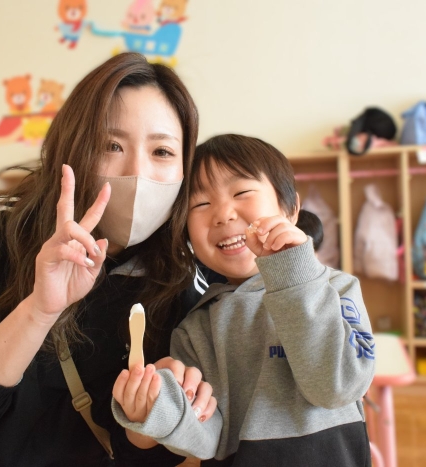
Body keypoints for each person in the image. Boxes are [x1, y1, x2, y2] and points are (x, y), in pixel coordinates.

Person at [0, 53, 217, 467]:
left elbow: (141, 453)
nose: (137, 172)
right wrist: (38, 311)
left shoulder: (183, 279)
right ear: (72, 147)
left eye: (162, 151)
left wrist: (154, 414)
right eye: (111, 145)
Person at [111, 134, 376, 466]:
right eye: (200, 204)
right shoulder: (196, 327)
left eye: (241, 193)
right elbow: (209, 439)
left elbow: (338, 387)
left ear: (291, 209)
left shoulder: (335, 288)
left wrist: (292, 274)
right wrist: (160, 408)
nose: (222, 214)